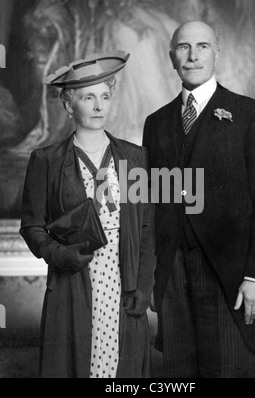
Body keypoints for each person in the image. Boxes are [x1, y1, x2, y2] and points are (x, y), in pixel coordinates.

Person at [143, 21, 255, 378]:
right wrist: (148, 274)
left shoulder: (250, 114)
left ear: (217, 53)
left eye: (202, 46)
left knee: (229, 368)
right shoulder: (155, 123)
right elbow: (150, 201)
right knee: (179, 374)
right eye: (184, 48)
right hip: (172, 272)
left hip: (231, 273)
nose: (193, 56)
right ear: (171, 56)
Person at [20, 52, 156, 378]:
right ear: (69, 105)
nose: (99, 106)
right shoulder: (47, 161)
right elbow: (32, 226)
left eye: (105, 96)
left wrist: (144, 285)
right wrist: (60, 254)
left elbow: (148, 227)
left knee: (121, 369)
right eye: (88, 97)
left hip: (124, 277)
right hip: (74, 279)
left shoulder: (135, 158)